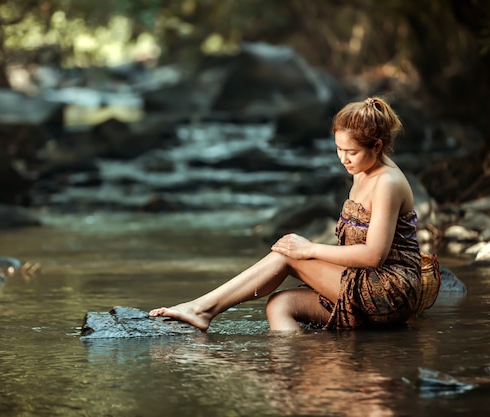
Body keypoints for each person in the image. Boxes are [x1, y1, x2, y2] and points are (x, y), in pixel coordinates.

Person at [149, 96, 424, 331]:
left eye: (351, 152)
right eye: (338, 149)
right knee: (280, 305)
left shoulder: (387, 182)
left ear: (376, 146)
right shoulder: (361, 170)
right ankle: (297, 377)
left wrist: (309, 249)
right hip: (361, 283)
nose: (343, 159)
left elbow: (373, 255)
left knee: (288, 254)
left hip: (389, 291)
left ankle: (202, 309)